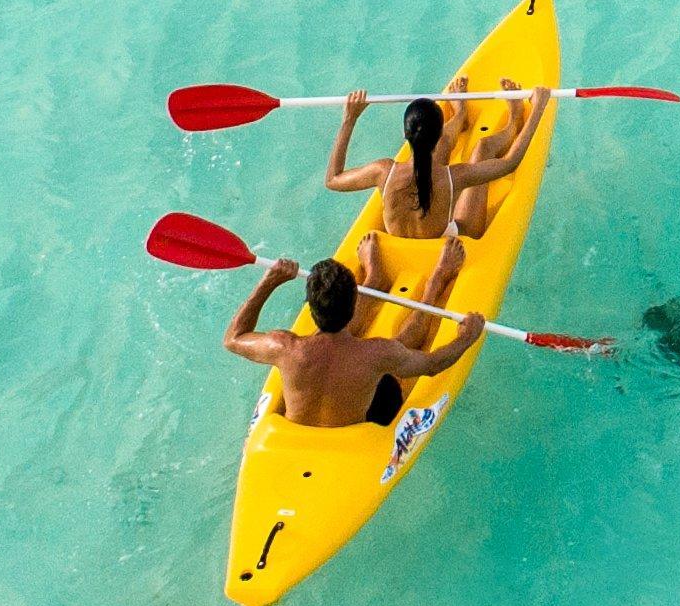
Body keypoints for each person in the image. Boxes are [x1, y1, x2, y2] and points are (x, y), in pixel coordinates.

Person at [225, 252, 486, 432]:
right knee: (397, 348)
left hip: (296, 437)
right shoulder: (378, 353)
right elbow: (433, 365)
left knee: (384, 354)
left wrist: (268, 282)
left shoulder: (285, 348)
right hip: (356, 428)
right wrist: (467, 338)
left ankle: (376, 278)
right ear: (354, 305)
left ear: (310, 308)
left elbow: (233, 338)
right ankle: (433, 286)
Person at [322, 92, 532, 298]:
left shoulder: (383, 171)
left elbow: (333, 179)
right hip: (449, 242)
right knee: (482, 149)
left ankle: (460, 116)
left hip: (398, 249)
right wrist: (538, 108)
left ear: (405, 135)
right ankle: (513, 121)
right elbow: (510, 163)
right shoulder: (453, 176)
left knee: (434, 157)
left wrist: (350, 119)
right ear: (440, 134)